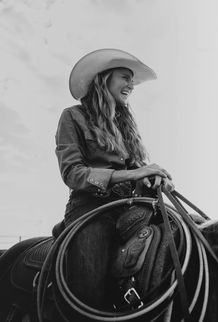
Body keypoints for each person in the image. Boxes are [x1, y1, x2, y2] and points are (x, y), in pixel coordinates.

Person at [55, 48, 174, 308]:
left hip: (128, 208)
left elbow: (136, 171)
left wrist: (152, 178)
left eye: (131, 80)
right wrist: (135, 172)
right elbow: (72, 173)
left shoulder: (124, 125)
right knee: (90, 280)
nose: (131, 84)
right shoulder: (72, 116)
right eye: (124, 77)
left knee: (178, 232)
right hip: (90, 210)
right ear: (103, 78)